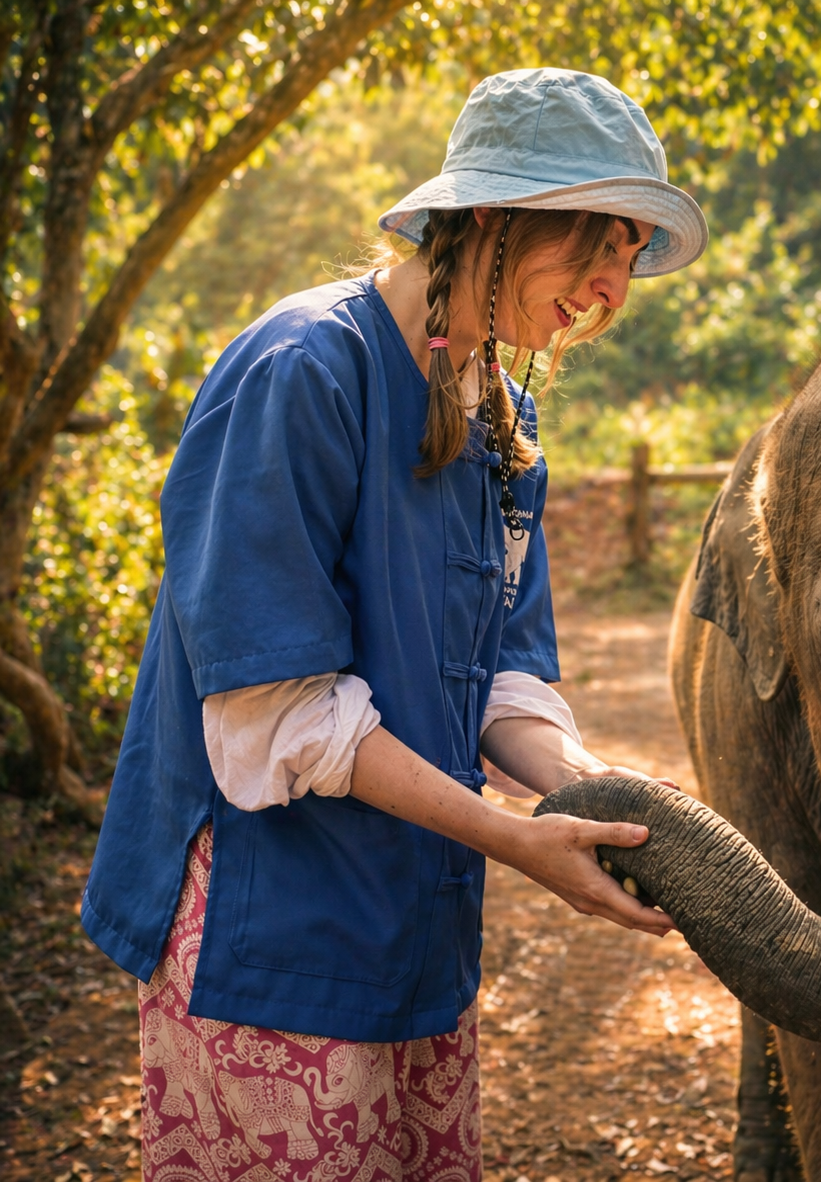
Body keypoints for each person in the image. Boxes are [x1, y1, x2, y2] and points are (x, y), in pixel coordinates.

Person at [81, 68, 708, 1181]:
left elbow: (503, 679)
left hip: (411, 920)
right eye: (596, 242)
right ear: (492, 217)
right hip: (268, 931)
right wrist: (512, 839)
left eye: (630, 255)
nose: (612, 286)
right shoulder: (301, 370)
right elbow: (277, 710)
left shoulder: (504, 421)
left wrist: (593, 795)